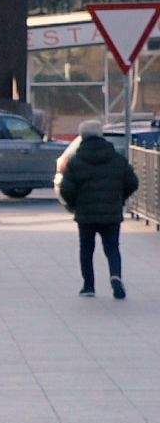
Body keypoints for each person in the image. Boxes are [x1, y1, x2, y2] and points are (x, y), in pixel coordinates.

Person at [58, 122, 134, 299]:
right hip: (111, 213)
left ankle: (89, 286)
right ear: (101, 135)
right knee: (112, 247)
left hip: (85, 215)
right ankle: (115, 276)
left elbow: (66, 188)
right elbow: (132, 182)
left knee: (86, 249)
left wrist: (73, 205)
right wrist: (119, 199)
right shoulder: (116, 158)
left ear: (82, 137)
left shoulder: (76, 161)